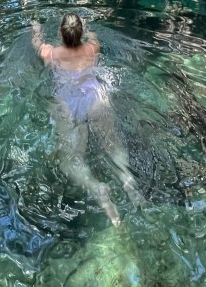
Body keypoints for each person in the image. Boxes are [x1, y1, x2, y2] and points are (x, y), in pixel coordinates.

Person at [32, 12, 142, 226]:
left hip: (67, 103)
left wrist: (36, 27)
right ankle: (127, 181)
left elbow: (37, 43)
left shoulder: (50, 54)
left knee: (71, 160)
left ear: (60, 33)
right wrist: (89, 27)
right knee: (112, 145)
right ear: (81, 32)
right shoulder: (93, 48)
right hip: (95, 97)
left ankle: (96, 187)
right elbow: (94, 37)